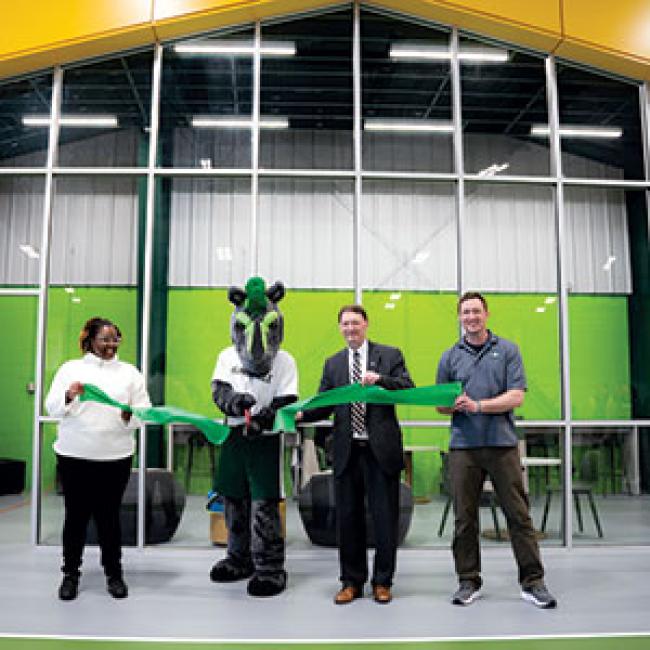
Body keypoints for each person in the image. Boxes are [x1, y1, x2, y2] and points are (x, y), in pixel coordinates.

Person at [436, 292, 557, 609]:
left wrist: (477, 405)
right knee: (464, 520)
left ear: (486, 314)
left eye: (476, 311)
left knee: (518, 516)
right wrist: (451, 405)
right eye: (465, 312)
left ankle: (533, 582)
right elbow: (439, 405)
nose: (471, 317)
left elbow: (516, 396)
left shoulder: (507, 351)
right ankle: (468, 581)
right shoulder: (450, 357)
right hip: (464, 448)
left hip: (503, 446)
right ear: (460, 317)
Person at [299, 305, 414, 605]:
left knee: (385, 519)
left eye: (355, 323)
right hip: (346, 452)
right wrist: (299, 414)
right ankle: (351, 581)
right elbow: (324, 403)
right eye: (345, 324)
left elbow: (406, 388)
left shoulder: (390, 356)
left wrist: (381, 381)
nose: (350, 329)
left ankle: (382, 582)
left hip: (381, 452)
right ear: (340, 328)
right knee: (348, 519)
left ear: (366, 324)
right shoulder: (333, 364)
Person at [45, 317, 151, 601]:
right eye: (105, 339)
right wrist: (69, 395)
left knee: (109, 519)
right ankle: (70, 575)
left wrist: (132, 416)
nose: (111, 345)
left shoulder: (130, 373)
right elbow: (52, 406)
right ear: (90, 340)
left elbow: (144, 410)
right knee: (75, 517)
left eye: (115, 339)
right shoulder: (71, 369)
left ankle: (114, 575)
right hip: (74, 456)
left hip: (115, 457)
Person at [209, 277, 298, 597]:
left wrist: (265, 414)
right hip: (234, 434)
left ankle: (270, 566)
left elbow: (288, 399)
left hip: (267, 440)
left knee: (265, 504)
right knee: (233, 500)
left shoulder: (285, 360)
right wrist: (235, 402)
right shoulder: (226, 356)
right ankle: (238, 557)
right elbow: (218, 389)